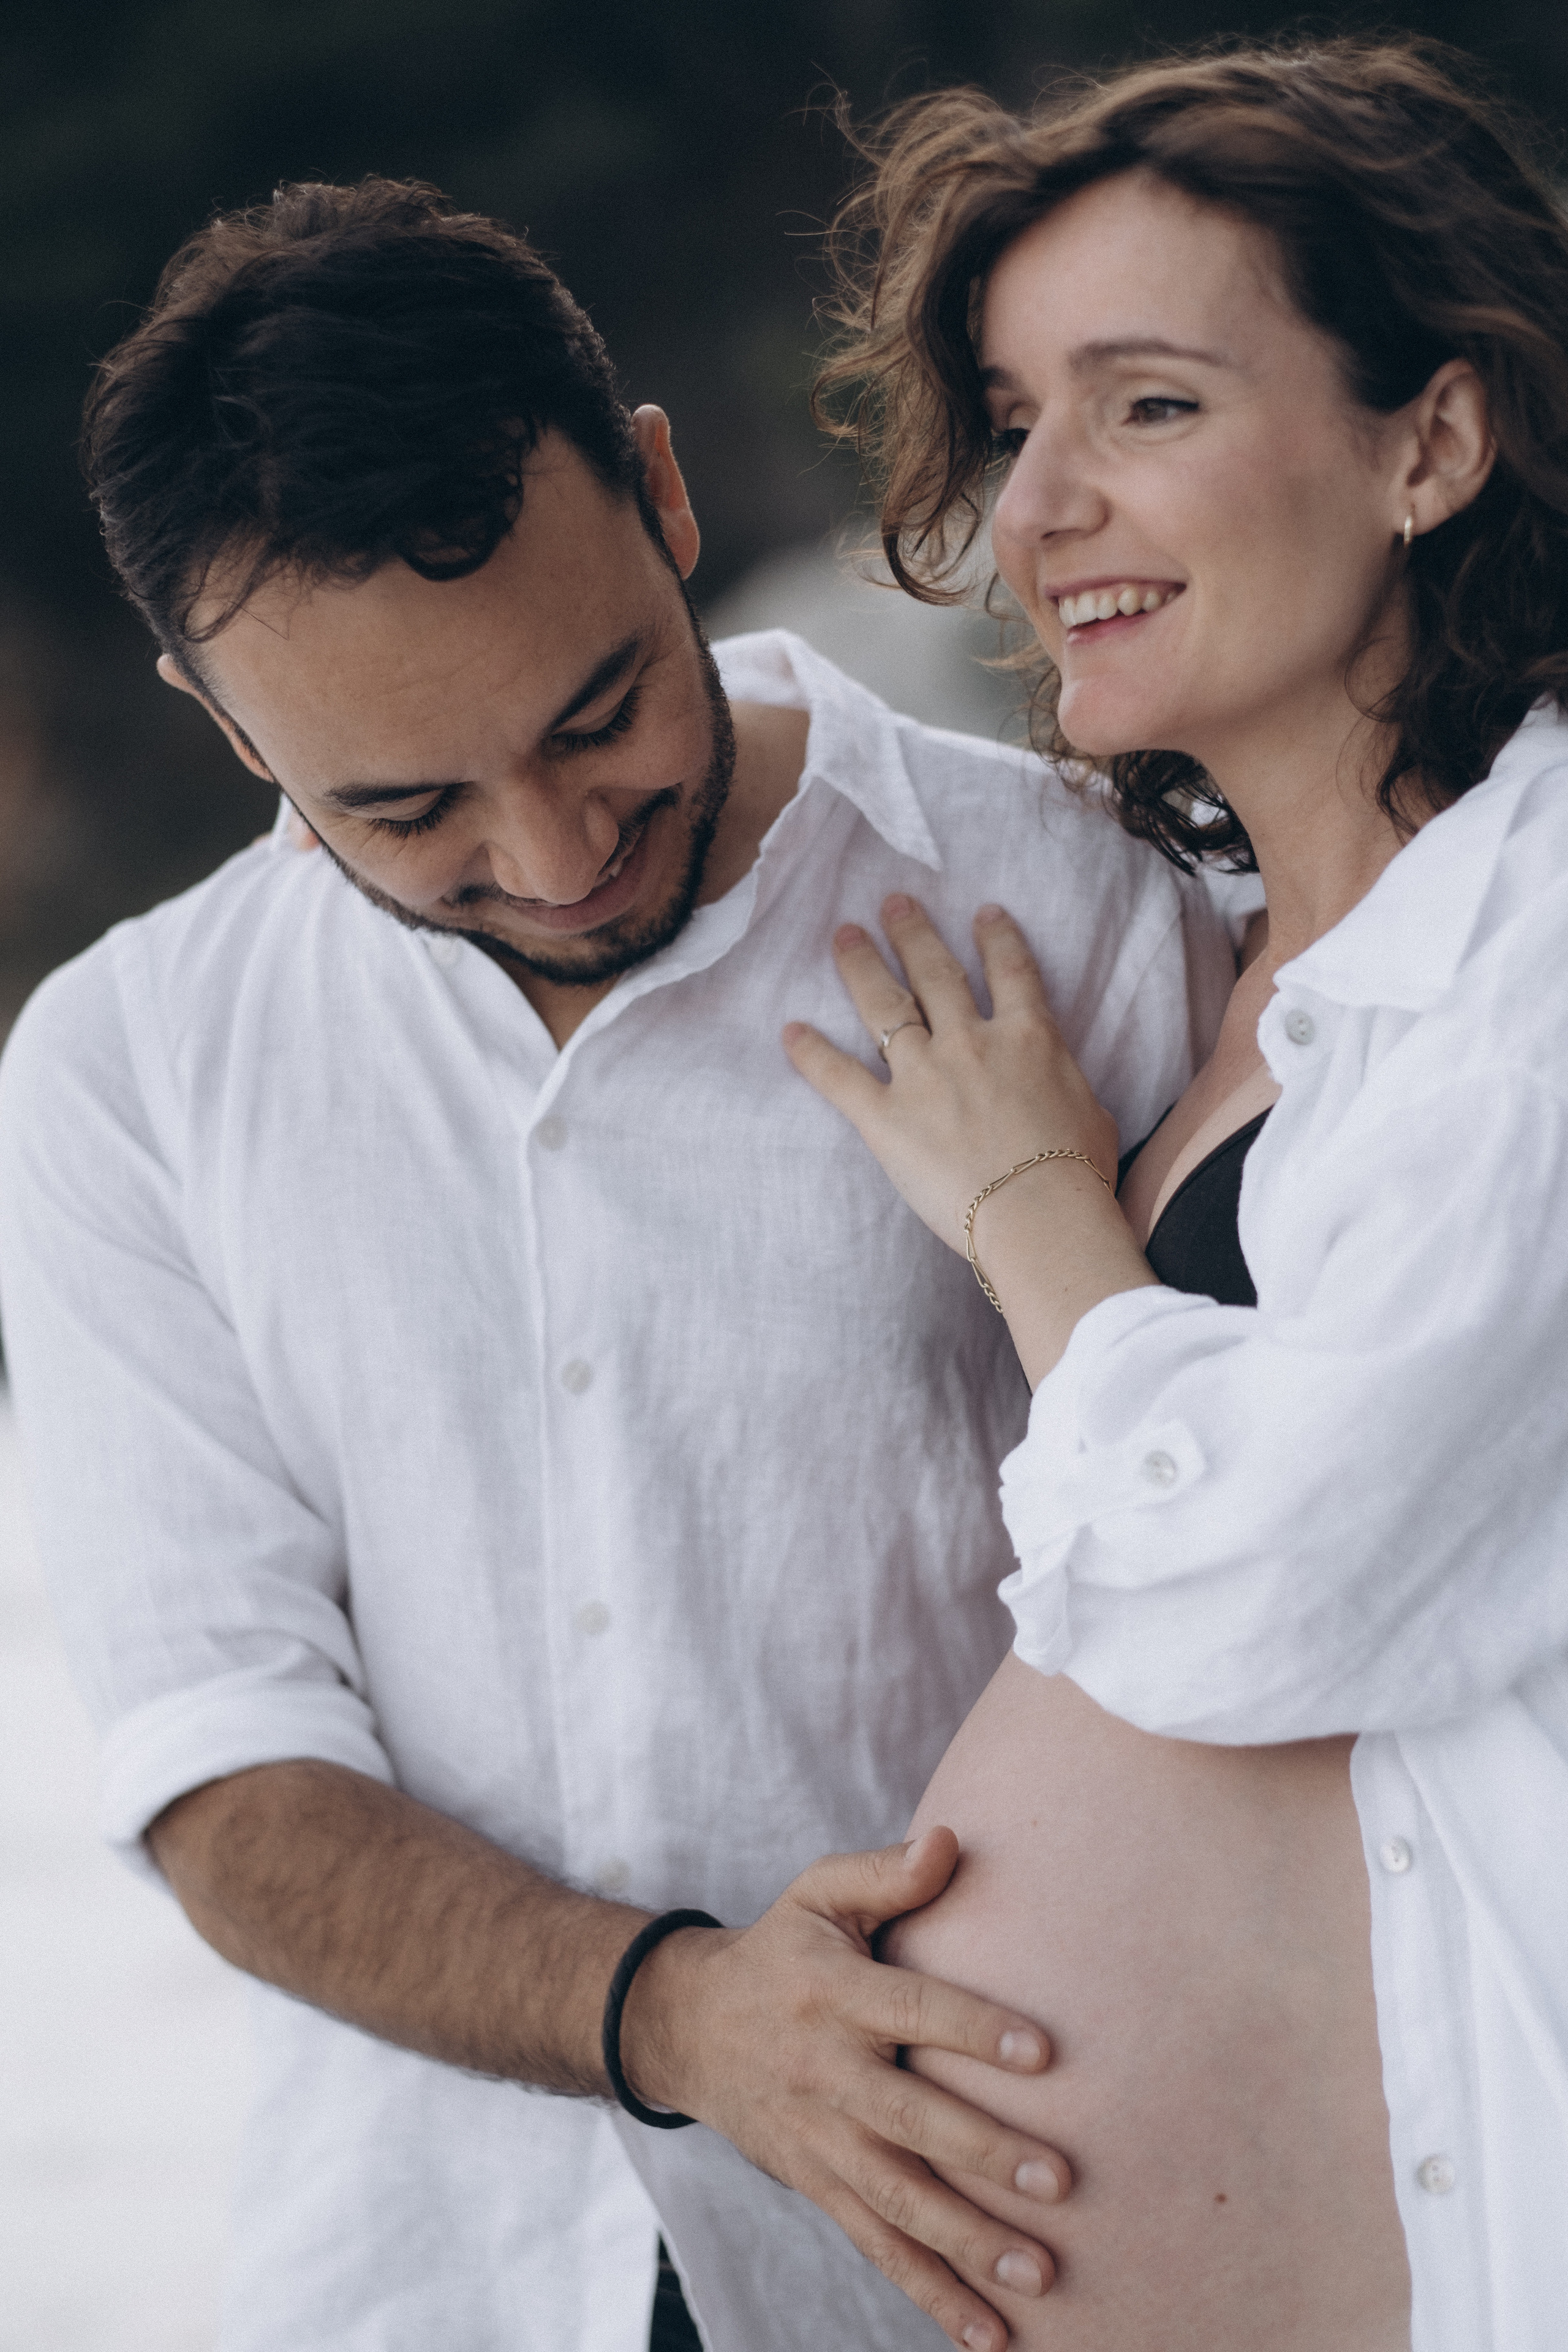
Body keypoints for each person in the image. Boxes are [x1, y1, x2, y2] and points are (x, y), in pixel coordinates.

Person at [0, 179, 1245, 2352]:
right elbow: (226, 1775)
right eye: (408, 813)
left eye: (596, 717)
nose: (561, 856)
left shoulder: (1086, 900)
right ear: (221, 726)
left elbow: (1263, 1591)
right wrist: (686, 2022)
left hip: (1027, 2258)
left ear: (661, 493)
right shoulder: (123, 1072)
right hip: (427, 2281)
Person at [786, 34, 1568, 2352]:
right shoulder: (1230, 959)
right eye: (1019, 424)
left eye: (1143, 406)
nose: (1038, 514)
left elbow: (1286, 1583)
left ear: (1431, 439)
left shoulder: (1532, 953)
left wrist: (1045, 1224)